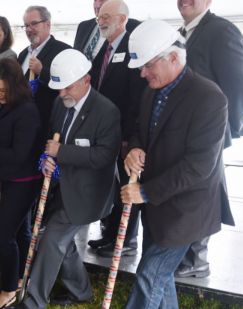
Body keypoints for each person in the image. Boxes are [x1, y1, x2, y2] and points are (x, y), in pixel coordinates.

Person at [122, 19, 230, 308]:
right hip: (158, 209)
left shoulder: (209, 98)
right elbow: (138, 132)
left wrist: (144, 193)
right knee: (160, 278)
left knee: (148, 275)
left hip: (186, 211)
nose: (143, 74)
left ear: (173, 57)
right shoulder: (152, 90)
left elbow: (198, 166)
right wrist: (133, 150)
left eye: (148, 66)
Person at [17, 49, 121, 308]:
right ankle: (81, 291)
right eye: (59, 88)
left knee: (51, 240)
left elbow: (104, 156)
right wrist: (48, 158)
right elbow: (53, 138)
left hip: (89, 193)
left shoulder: (107, 111)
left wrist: (61, 152)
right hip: (61, 188)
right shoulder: (60, 102)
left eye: (66, 88)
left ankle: (34, 302)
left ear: (86, 80)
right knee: (62, 242)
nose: (61, 93)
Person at [175, 0, 243, 278]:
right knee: (187, 190)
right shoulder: (180, 34)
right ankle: (186, 253)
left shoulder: (222, 30)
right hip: (181, 132)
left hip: (208, 130)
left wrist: (226, 127)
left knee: (204, 191)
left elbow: (241, 83)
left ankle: (197, 258)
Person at [0, 58, 42, 309]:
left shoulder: (27, 112)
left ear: (15, 86)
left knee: (3, 234)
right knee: (20, 231)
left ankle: (9, 290)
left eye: (3, 90)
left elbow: (18, 155)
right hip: (9, 176)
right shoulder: (2, 104)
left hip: (23, 180)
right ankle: (22, 275)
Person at [86, 0, 146, 257]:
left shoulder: (134, 47)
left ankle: (126, 241)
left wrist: (129, 138)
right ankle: (110, 234)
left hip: (125, 134)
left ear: (122, 19)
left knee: (126, 185)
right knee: (112, 187)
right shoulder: (105, 48)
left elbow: (138, 98)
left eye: (107, 16)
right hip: (105, 131)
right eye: (100, 16)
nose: (101, 21)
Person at [17, 6, 70, 147]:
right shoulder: (23, 54)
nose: (29, 29)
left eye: (34, 24)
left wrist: (42, 71)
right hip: (23, 125)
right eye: (26, 25)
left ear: (48, 24)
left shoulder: (63, 51)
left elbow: (69, 86)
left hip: (48, 126)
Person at [73, 0, 139, 61]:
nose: (98, 5)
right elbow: (75, 54)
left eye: (102, 0)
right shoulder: (83, 26)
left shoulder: (134, 27)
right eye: (95, 0)